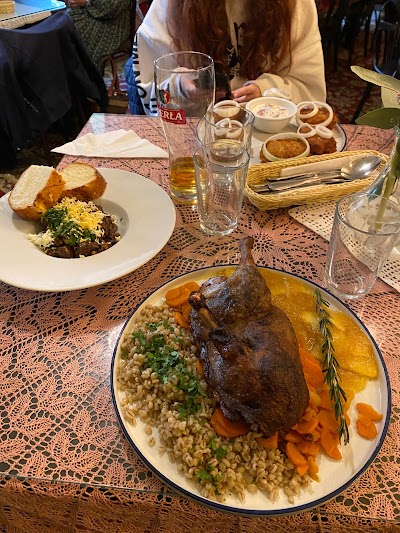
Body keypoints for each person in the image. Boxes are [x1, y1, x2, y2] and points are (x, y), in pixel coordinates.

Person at [126, 0, 326, 116]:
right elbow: (154, 91)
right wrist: (181, 88)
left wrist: (266, 90)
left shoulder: (296, 5)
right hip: (193, 138)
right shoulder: (169, 5)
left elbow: (311, 92)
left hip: (269, 138)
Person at [68, 0, 131, 69]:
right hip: (91, 11)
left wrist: (87, 2)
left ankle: (80, 71)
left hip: (113, 22)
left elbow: (112, 7)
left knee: (73, 31)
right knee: (64, 22)